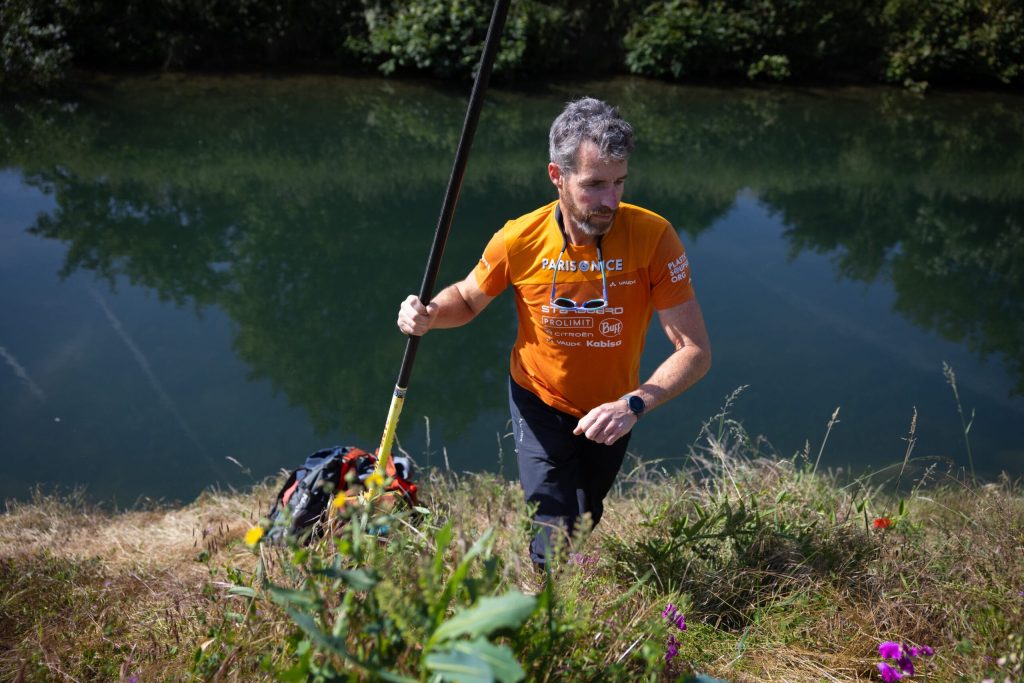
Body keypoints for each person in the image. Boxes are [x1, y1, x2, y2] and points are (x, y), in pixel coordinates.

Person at [397, 97, 711, 569]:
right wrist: (428, 313)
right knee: (554, 525)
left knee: (585, 514)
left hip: (612, 406)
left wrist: (635, 403)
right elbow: (466, 298)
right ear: (556, 176)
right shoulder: (519, 239)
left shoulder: (653, 237)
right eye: (595, 185)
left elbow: (694, 350)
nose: (611, 200)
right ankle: (544, 614)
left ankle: (560, 585)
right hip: (538, 398)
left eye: (620, 182)